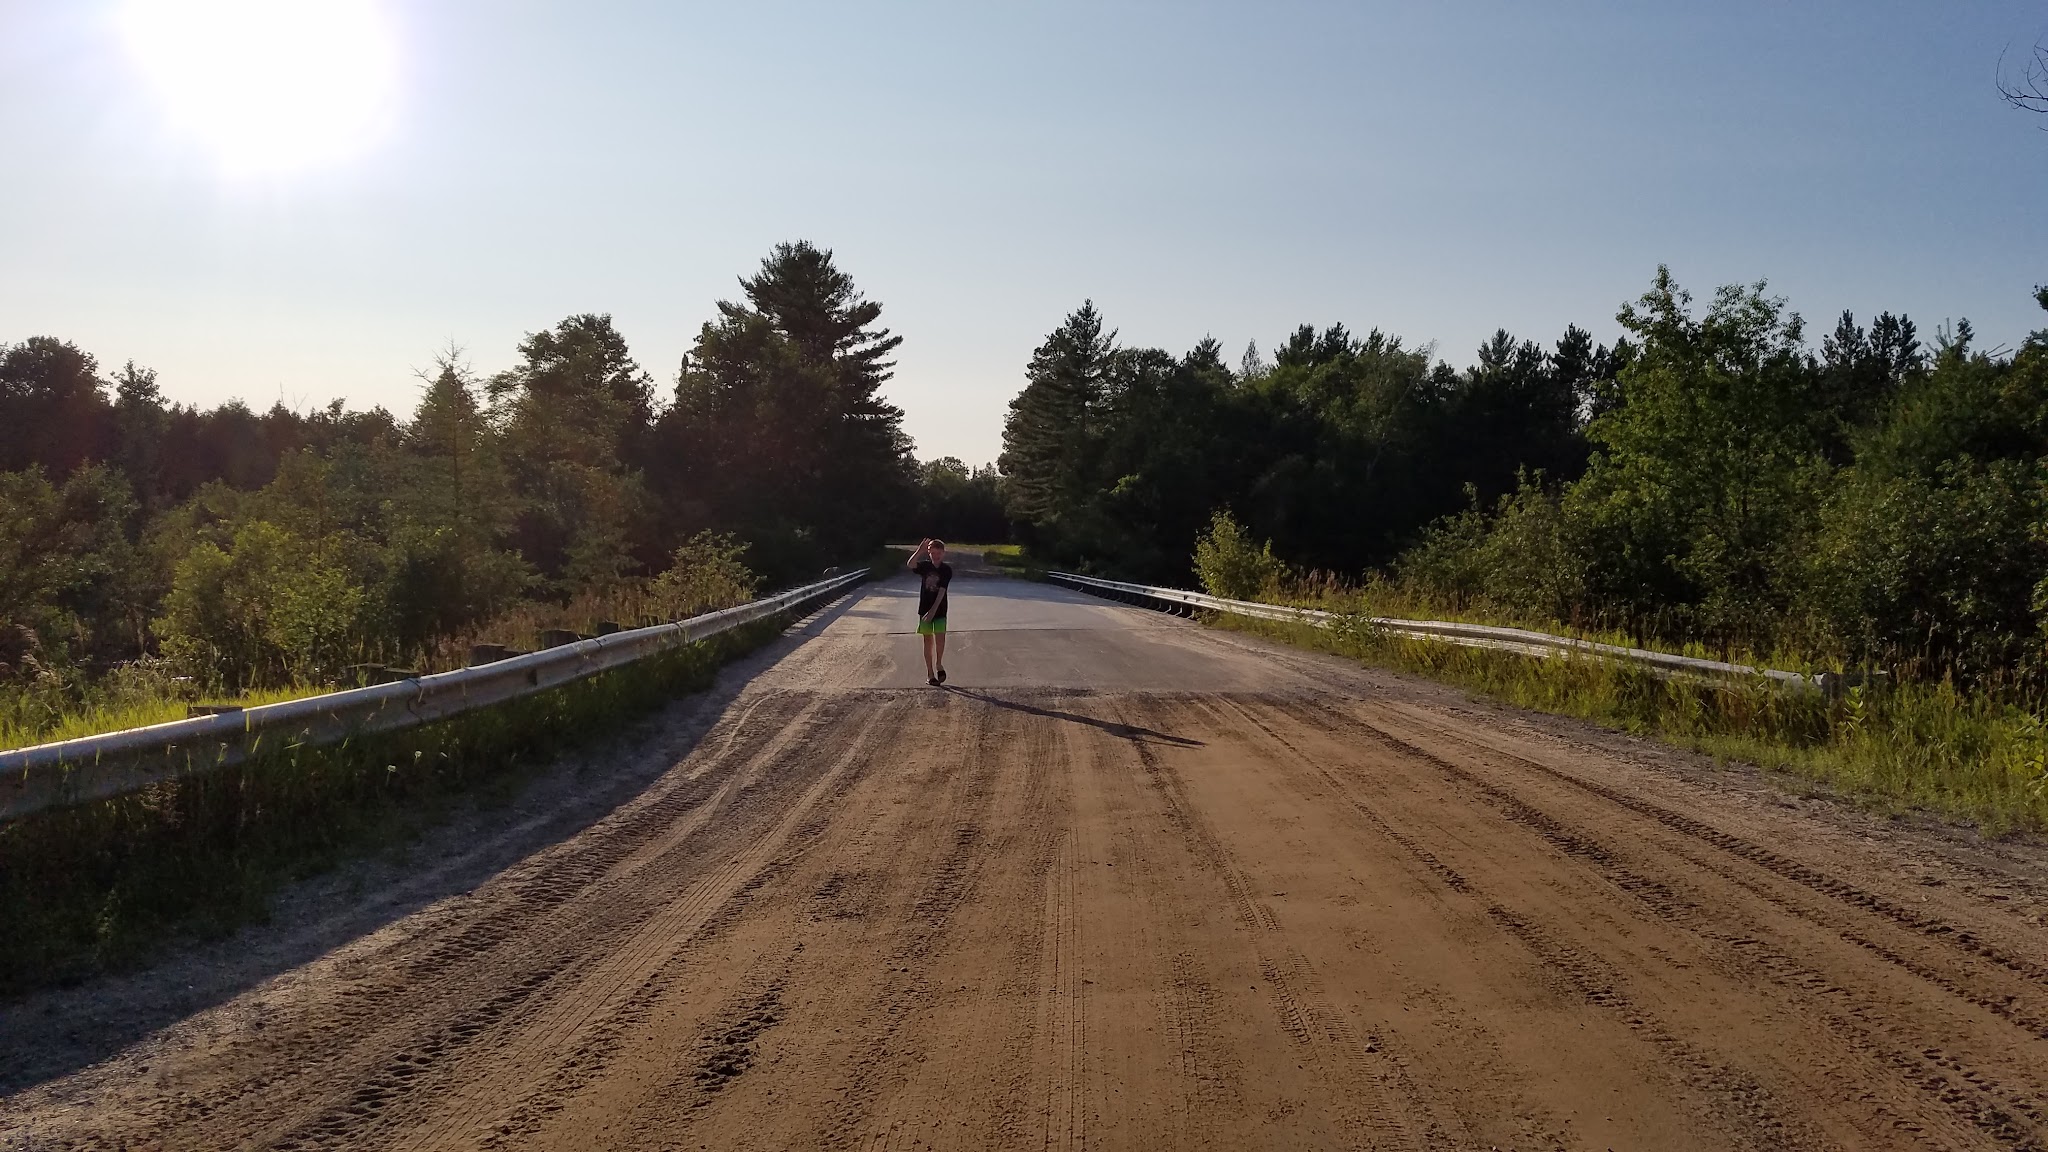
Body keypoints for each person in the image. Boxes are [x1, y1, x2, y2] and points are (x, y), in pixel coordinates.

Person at [907, 538, 952, 686]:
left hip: (939, 610)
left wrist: (933, 611)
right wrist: (919, 551)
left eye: (939, 553)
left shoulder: (946, 570)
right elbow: (910, 564)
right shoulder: (925, 567)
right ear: (929, 553)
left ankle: (939, 664)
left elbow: (942, 591)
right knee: (927, 641)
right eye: (933, 553)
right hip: (924, 609)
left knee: (940, 640)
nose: (936, 556)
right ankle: (930, 674)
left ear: (943, 553)